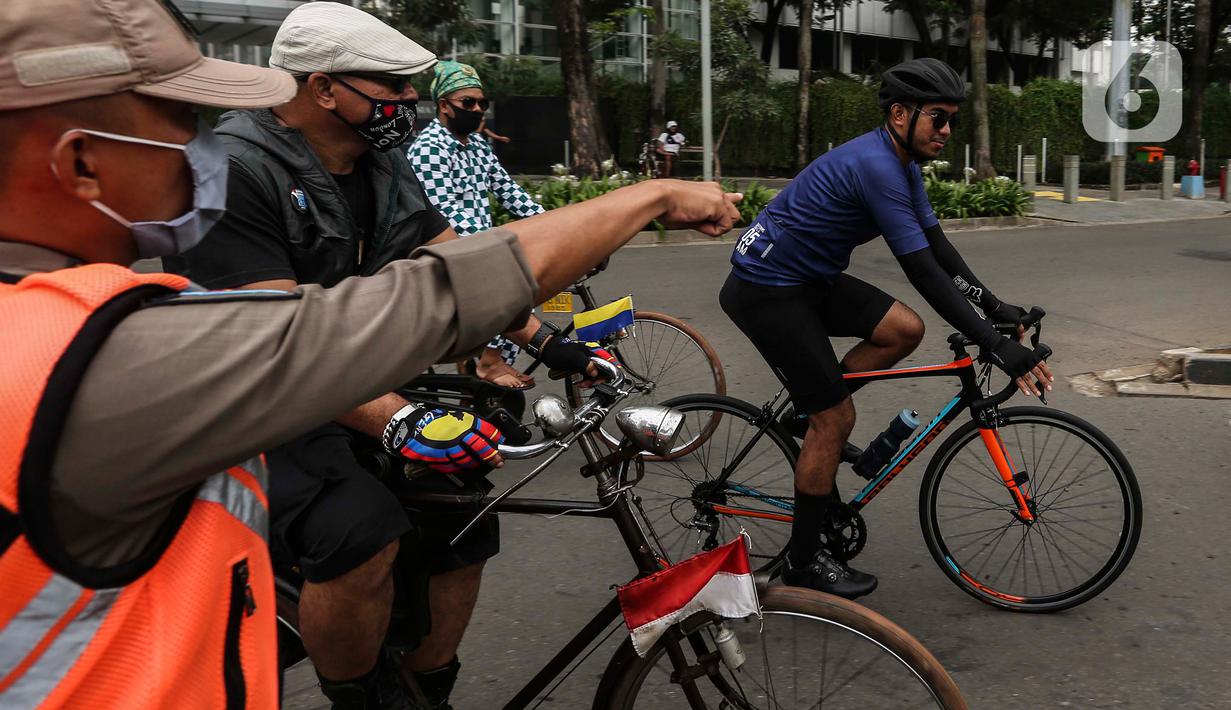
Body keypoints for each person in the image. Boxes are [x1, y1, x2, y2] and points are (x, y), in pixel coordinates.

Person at [0, 1, 741, 706]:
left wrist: (552, 343)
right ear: (81, 164)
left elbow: (454, 258)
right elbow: (300, 348)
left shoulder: (380, 165)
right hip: (286, 408)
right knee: (357, 530)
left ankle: (428, 684)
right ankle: (360, 695)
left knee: (462, 511)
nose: (201, 153)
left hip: (310, 386)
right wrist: (640, 200)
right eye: (178, 126)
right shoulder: (97, 338)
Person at [719, 58, 1053, 600]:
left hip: (808, 278)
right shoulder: (877, 166)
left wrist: (995, 308)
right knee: (837, 417)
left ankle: (808, 415)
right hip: (768, 287)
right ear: (900, 114)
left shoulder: (903, 165)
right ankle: (802, 563)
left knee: (902, 329)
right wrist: (992, 345)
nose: (947, 131)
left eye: (952, 121)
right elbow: (920, 268)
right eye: (938, 119)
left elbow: (938, 248)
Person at [409, 61, 546, 385]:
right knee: (512, 297)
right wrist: (502, 242)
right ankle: (488, 363)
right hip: (448, 256)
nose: (477, 109)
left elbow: (508, 190)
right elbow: (446, 213)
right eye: (467, 103)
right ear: (444, 105)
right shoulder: (429, 149)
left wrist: (554, 223)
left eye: (482, 103)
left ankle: (477, 382)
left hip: (479, 250)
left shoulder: (479, 146)